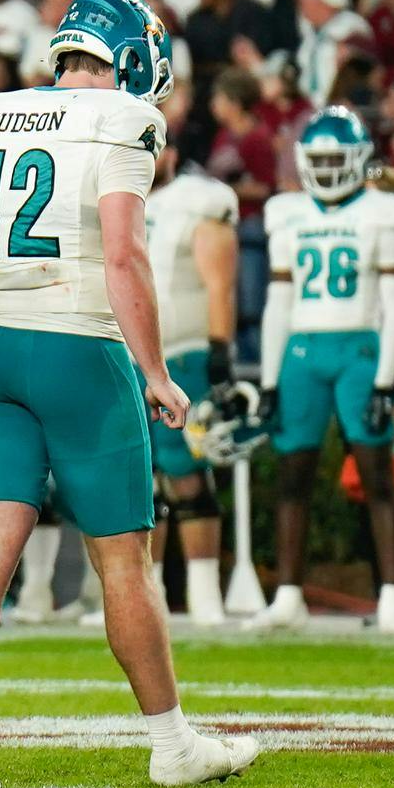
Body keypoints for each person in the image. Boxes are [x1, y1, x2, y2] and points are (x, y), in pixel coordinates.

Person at [0, 0, 259, 788]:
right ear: (135, 57)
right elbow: (122, 254)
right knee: (125, 559)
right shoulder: (126, 121)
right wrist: (154, 370)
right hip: (80, 346)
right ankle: (174, 744)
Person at [256, 108, 394, 634]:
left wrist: (385, 381)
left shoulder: (384, 211)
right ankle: (287, 595)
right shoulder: (287, 211)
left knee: (377, 474)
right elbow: (278, 301)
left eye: (335, 159)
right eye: (318, 159)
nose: (326, 169)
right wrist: (269, 379)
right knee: (293, 474)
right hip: (302, 348)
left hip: (360, 350)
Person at [141, 148, 240, 626]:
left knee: (186, 471)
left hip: (181, 354)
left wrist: (220, 349)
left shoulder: (198, 200)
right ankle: (144, 591)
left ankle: (205, 596)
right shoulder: (119, 198)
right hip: (128, 358)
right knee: (140, 479)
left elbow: (219, 282)